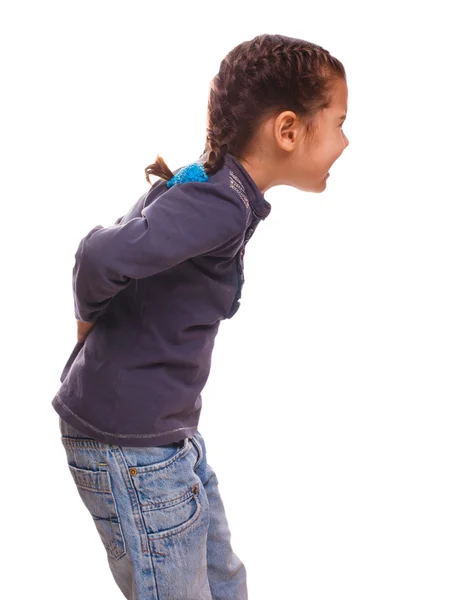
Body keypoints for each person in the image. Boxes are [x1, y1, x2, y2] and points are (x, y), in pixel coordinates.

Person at [52, 33, 349, 600]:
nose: (346, 140)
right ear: (288, 130)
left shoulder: (216, 189)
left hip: (164, 434)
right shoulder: (217, 206)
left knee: (223, 580)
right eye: (338, 122)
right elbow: (98, 255)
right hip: (131, 444)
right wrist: (87, 325)